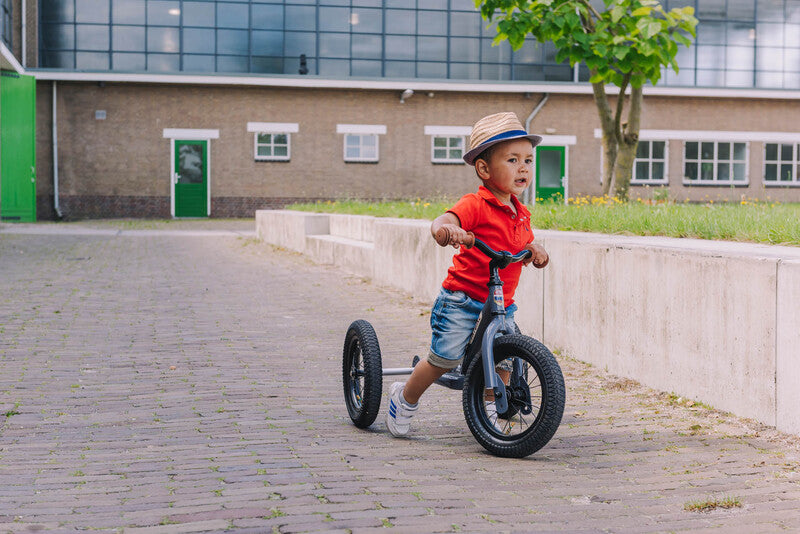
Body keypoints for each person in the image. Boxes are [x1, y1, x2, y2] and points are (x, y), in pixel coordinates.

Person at [386, 111, 551, 437]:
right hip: (462, 299)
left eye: (528, 161)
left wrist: (535, 249)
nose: (523, 168)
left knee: (504, 359)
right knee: (444, 359)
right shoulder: (476, 204)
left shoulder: (520, 212)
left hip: (501, 304)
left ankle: (490, 407)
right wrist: (446, 230)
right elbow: (445, 220)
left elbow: (522, 243)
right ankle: (404, 398)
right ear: (484, 169)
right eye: (513, 160)